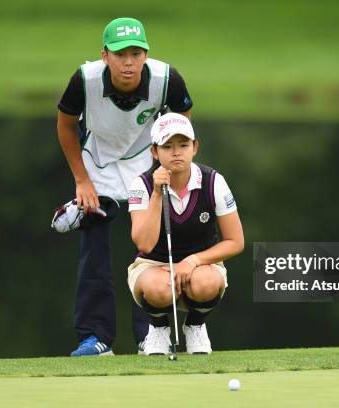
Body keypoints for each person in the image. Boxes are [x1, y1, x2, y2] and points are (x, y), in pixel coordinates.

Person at [56, 17, 193, 356]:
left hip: (145, 167)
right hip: (97, 165)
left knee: (150, 252)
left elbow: (181, 123)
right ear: (105, 56)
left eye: (135, 53)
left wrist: (171, 169)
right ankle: (95, 338)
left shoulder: (166, 79)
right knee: (95, 255)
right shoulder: (84, 79)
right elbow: (66, 125)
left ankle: (151, 335)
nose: (128, 62)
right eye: (120, 54)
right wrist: (81, 181)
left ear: (145, 54)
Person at [126, 113, 244, 355]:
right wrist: (158, 193)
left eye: (183, 145)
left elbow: (235, 242)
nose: (176, 152)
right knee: (160, 288)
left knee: (207, 282)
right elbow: (144, 244)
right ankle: (158, 328)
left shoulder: (213, 182)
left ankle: (195, 325)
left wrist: (194, 260)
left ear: (195, 147)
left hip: (201, 268)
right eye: (167, 146)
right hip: (152, 266)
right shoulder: (143, 185)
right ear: (155, 152)